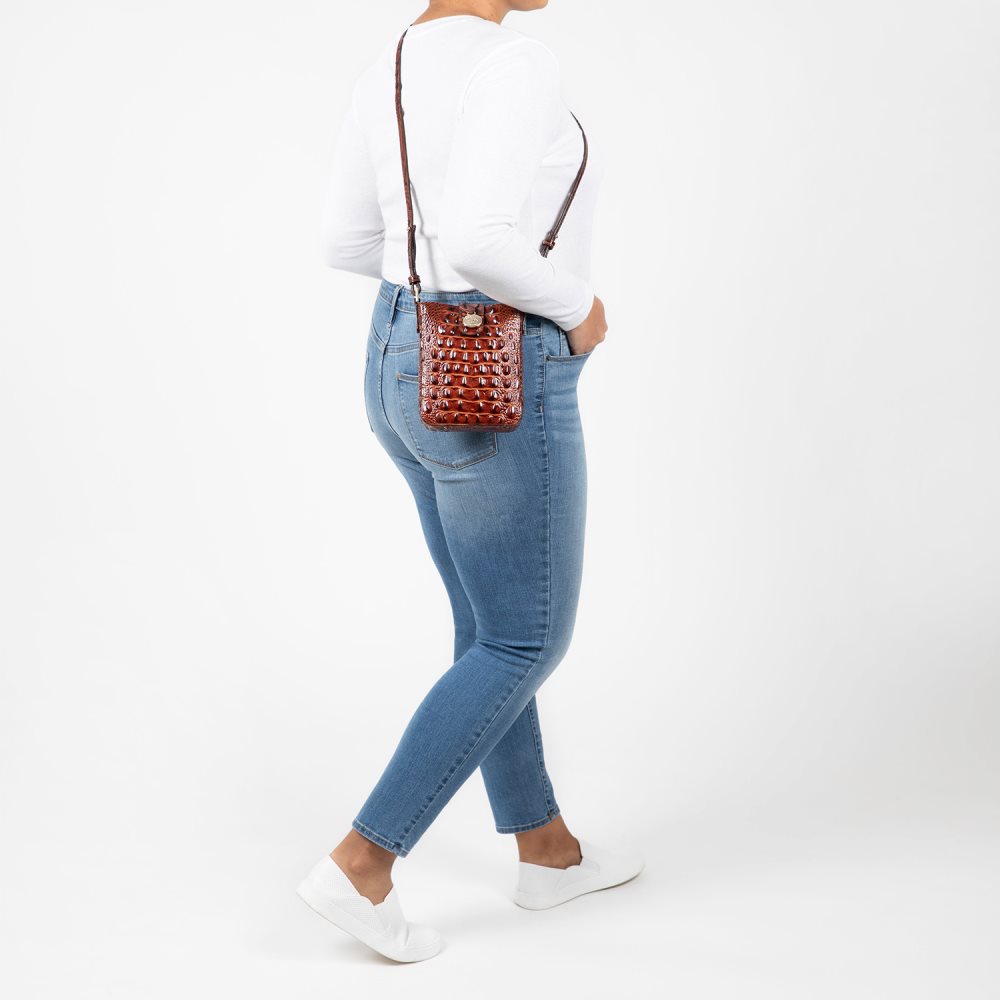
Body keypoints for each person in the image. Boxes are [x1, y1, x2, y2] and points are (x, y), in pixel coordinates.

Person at [297, 1, 642, 962]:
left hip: (399, 357)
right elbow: (483, 239)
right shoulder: (512, 59)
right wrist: (579, 308)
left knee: (489, 626)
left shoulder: (392, 63)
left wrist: (430, 291)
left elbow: (345, 241)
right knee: (525, 637)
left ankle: (547, 852)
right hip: (494, 369)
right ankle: (363, 864)